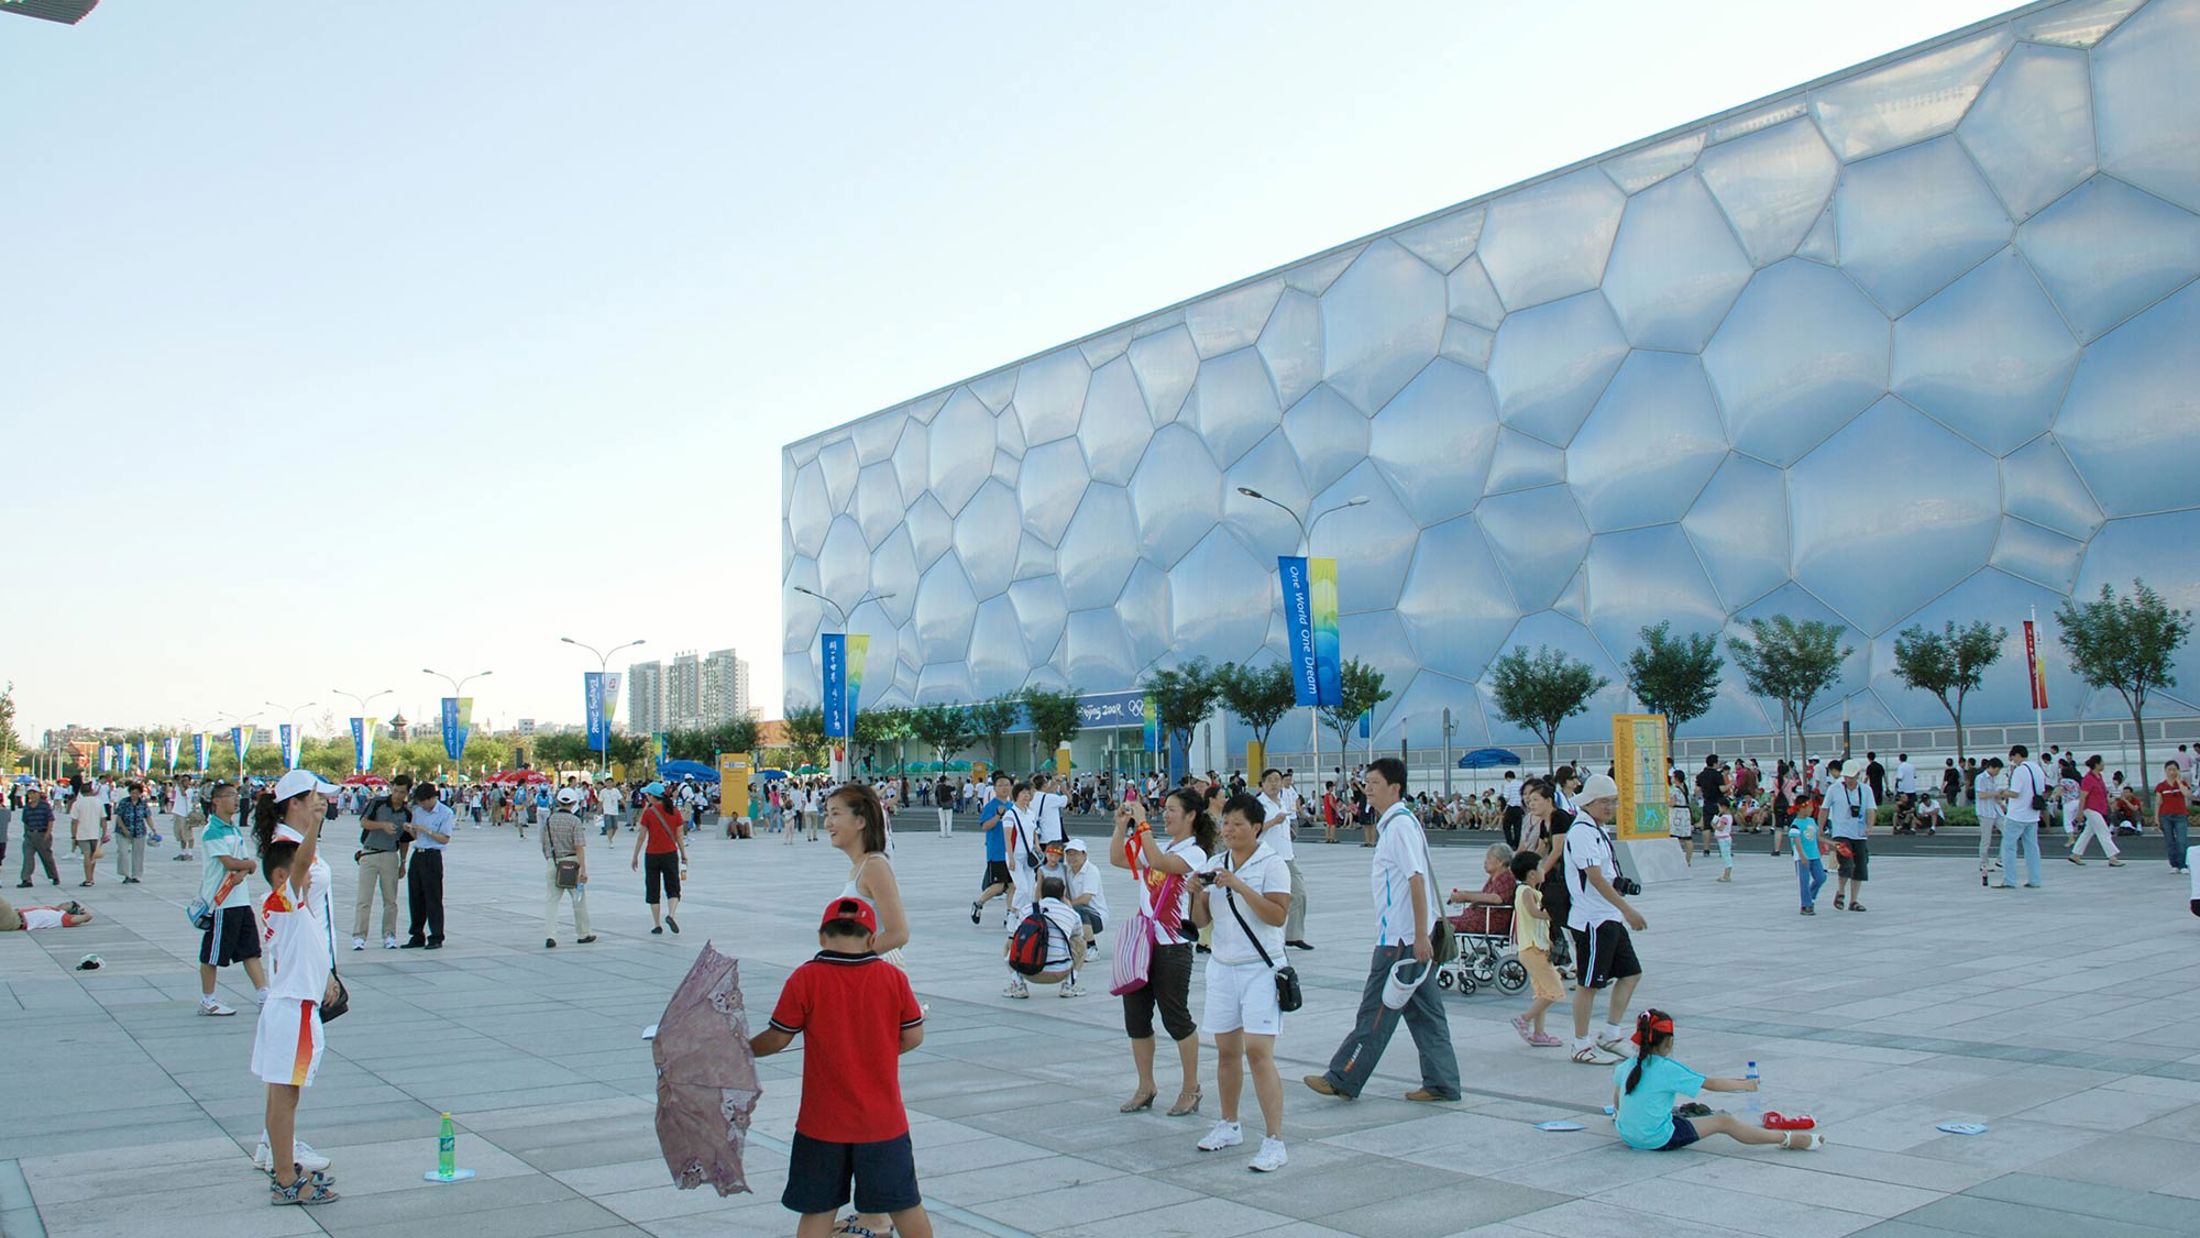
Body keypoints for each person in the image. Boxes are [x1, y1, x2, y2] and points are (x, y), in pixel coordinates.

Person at [750, 897, 932, 1238]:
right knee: (905, 1205)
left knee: (818, 1211)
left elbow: (776, 1039)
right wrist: (877, 1053)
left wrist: (739, 1051)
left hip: (821, 1123)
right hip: (882, 1122)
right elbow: (914, 1036)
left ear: (822, 937)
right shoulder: (891, 977)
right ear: (870, 938)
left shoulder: (806, 978)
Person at [1305, 757, 1462, 1102]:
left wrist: (1420, 936)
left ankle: (1343, 1077)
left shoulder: (1400, 826)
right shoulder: (1397, 824)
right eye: (1367, 782)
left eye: (1375, 783)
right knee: (1426, 1015)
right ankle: (1442, 1083)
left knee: (1375, 1011)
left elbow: (1416, 880)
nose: (1368, 789)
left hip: (1401, 941)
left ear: (1395, 788)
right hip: (1407, 936)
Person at [1186, 791, 1291, 1172]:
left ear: (1257, 828)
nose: (1229, 830)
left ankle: (1274, 1140)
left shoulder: (1272, 864)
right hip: (1222, 966)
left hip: (1260, 969)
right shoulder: (1216, 863)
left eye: (1237, 824)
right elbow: (1200, 924)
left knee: (1259, 1054)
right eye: (1225, 823)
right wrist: (1196, 895)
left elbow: (1277, 916)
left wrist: (1240, 885)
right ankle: (1229, 1123)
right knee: (1226, 1052)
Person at [251, 769, 343, 1204]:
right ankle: (286, 1179)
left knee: (281, 1089)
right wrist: (317, 829)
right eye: (314, 799)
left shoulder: (289, 902)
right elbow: (299, 866)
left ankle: (282, 1162)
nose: (320, 804)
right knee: (286, 1092)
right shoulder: (285, 884)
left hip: (291, 999)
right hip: (294, 1002)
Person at [1108, 788, 1211, 1116]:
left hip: (1172, 947)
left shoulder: (1195, 853)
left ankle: (1191, 1087)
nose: (1165, 815)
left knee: (1176, 1018)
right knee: (1136, 1020)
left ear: (1191, 815)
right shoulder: (1161, 844)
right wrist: (1120, 826)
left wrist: (1143, 826)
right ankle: (1146, 1085)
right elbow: (1118, 859)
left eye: (1172, 810)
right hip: (1142, 944)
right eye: (1163, 809)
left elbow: (1158, 862)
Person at [1614, 1010, 1820, 1152]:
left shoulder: (1628, 1065)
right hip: (1656, 1139)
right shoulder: (1668, 1069)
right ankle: (1786, 1139)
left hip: (1628, 1135)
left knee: (1679, 1113)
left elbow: (1618, 1099)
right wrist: (1746, 1085)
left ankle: (1786, 1139)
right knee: (1724, 1121)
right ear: (1669, 1042)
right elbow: (1711, 1084)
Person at [1557, 774, 1648, 1065]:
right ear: (1590, 802)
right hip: (1593, 920)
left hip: (1608, 917)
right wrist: (1628, 910)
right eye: (1605, 802)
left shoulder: (1597, 828)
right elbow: (1595, 879)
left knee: (1631, 973)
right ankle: (1580, 1044)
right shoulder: (1582, 831)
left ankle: (1610, 1033)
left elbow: (1605, 875)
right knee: (1589, 983)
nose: (1610, 807)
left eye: (1613, 801)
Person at [197, 781, 268, 1016]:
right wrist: (246, 866)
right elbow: (228, 862)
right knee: (213, 954)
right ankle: (208, 999)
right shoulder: (213, 830)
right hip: (220, 902)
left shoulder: (234, 829)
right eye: (230, 796)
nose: (236, 800)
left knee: (250, 950)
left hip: (240, 900)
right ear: (216, 801)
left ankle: (263, 995)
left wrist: (244, 868)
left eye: (237, 795)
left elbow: (245, 864)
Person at [1505, 850, 1564, 1047]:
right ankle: (1524, 1019)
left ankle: (1539, 1034)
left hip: (1538, 947)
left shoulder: (1533, 891)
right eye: (1540, 867)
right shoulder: (1525, 891)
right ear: (1531, 874)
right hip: (1532, 949)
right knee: (1554, 990)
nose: (1543, 870)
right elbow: (1534, 913)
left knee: (1542, 992)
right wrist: (1555, 913)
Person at [1255, 769, 1312, 952]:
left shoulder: (1283, 801)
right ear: (1262, 784)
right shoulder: (1258, 805)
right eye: (1270, 780)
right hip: (1268, 857)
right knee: (1270, 898)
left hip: (1287, 856)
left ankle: (1293, 936)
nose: (1274, 784)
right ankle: (1267, 937)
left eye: (1277, 780)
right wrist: (1273, 821)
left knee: (1299, 894)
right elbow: (1253, 830)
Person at [351, 774, 410, 951]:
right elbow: (364, 822)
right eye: (396, 790)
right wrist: (382, 825)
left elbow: (405, 840)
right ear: (391, 788)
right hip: (370, 853)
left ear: (407, 792)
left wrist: (403, 862)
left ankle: (389, 935)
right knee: (364, 898)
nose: (398, 795)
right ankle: (359, 936)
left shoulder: (407, 813)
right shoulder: (378, 803)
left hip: (390, 855)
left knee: (390, 900)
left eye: (402, 792)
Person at [399, 782, 453, 949]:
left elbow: (445, 838)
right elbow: (416, 835)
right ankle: (416, 934)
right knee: (415, 896)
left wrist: (426, 830)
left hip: (432, 856)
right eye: (420, 802)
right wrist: (410, 829)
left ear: (433, 798)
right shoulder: (418, 811)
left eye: (424, 801)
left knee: (433, 897)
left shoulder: (445, 813)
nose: (422, 805)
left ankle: (436, 935)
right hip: (418, 854)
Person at [631, 781, 688, 934]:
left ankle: (657, 924)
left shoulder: (649, 813)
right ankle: (671, 915)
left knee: (653, 888)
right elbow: (679, 836)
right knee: (673, 886)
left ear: (653, 796)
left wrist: (635, 855)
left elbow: (641, 836)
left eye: (647, 795)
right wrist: (683, 854)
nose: (646, 797)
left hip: (652, 855)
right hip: (670, 853)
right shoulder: (674, 811)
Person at [542, 787, 596, 948]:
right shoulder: (575, 821)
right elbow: (579, 846)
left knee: (552, 900)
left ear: (558, 801)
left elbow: (544, 844)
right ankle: (583, 933)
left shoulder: (549, 820)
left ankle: (550, 935)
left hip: (554, 861)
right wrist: (583, 869)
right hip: (572, 863)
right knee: (578, 899)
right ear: (573, 803)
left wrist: (551, 859)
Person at [1822, 760, 1877, 911]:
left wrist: (1870, 826)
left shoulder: (1866, 790)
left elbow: (1871, 809)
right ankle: (1840, 892)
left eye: (1852, 777)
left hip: (1859, 833)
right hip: (1841, 832)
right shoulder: (1834, 789)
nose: (1848, 780)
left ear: (1858, 775)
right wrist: (1821, 828)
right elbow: (1824, 808)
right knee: (1846, 862)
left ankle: (1854, 900)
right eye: (1846, 777)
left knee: (1860, 866)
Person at [1994, 744, 2047, 890]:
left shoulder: (2020, 770)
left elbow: (2015, 793)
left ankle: (2010, 880)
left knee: (2009, 847)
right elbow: (2042, 790)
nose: (2012, 760)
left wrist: (2002, 792)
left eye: (2012, 757)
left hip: (2017, 814)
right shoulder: (2038, 769)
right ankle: (2035, 879)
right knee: (2032, 848)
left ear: (2017, 755)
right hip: (2033, 815)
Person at [970, 772, 1014, 925]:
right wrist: (997, 816)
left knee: (1013, 885)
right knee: (999, 885)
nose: (1004, 788)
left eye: (1007, 785)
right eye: (1001, 785)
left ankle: (1010, 916)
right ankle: (979, 903)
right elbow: (985, 826)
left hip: (1011, 853)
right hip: (996, 852)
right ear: (994, 788)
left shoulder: (1012, 806)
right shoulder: (991, 806)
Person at [2071, 755, 2125, 866]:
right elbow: (2083, 796)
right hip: (2091, 809)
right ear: (2096, 764)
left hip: (2099, 808)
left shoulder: (2099, 777)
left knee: (2088, 832)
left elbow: (2102, 794)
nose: (2104, 764)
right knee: (2103, 831)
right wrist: (2080, 812)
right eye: (2102, 762)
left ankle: (2076, 854)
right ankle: (2112, 857)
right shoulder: (2088, 779)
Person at [1063, 837, 1108, 962]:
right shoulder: (1067, 871)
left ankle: (1092, 948)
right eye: (1069, 854)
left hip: (1096, 915)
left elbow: (1085, 899)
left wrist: (1067, 905)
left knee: (1079, 910)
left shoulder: (1091, 871)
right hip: (1075, 910)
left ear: (1084, 854)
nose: (1072, 857)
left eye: (1076, 854)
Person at [1790, 795, 1827, 914]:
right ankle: (1806, 905)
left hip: (1814, 855)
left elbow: (1817, 837)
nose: (1812, 809)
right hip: (1803, 857)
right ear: (1801, 808)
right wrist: (1802, 855)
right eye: (1810, 807)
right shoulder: (1795, 824)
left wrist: (1830, 844)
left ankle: (1810, 897)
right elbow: (1796, 841)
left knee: (1821, 877)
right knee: (1804, 881)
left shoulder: (1811, 821)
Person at [67, 775, 106, 887]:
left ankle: (88, 879)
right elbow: (103, 819)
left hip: (82, 833)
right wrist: (104, 833)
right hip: (94, 833)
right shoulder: (98, 802)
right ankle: (91, 877)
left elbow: (74, 822)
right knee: (93, 856)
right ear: (92, 790)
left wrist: (73, 836)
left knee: (86, 856)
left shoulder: (77, 803)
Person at [17, 785, 59, 887]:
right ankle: (26, 879)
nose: (32, 795)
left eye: (34, 793)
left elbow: (50, 820)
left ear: (39, 794)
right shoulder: (27, 807)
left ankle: (54, 876)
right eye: (30, 793)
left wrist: (47, 834)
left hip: (42, 834)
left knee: (47, 858)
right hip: (30, 835)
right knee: (28, 857)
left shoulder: (44, 806)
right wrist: (26, 834)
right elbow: (25, 821)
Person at [2157, 761, 2191, 874]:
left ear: (2178, 770)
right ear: (2165, 771)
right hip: (2166, 816)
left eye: (2174, 769)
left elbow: (2187, 794)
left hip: (2180, 815)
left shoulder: (2183, 783)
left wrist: (2178, 781)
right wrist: (2156, 818)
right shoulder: (2161, 786)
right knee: (2170, 841)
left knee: (2181, 841)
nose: (2172, 772)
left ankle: (2183, 864)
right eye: (2169, 770)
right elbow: (2158, 803)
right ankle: (2174, 864)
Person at [0, 897, 93, 930]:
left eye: (68, 904)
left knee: (3, 904)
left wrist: (83, 913)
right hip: (12, 917)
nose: (65, 902)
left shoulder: (64, 917)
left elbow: (88, 917)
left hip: (14, 920)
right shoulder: (54, 910)